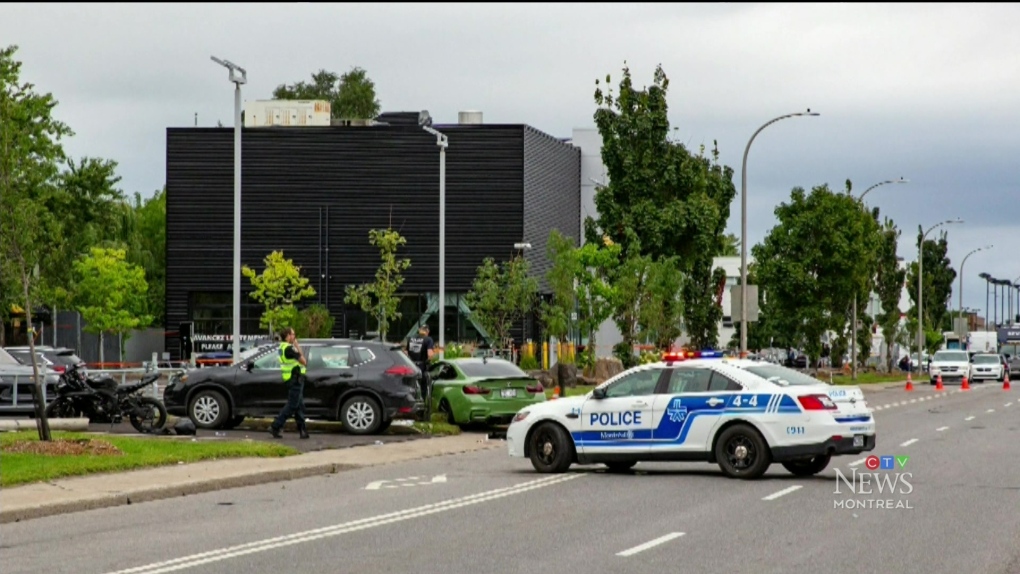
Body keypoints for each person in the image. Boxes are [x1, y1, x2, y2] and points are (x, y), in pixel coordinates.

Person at [269, 327, 310, 439]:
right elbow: (303, 361)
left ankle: (302, 430)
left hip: (293, 378)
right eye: (293, 334)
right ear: (287, 336)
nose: (294, 337)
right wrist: (296, 345)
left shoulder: (282, 347)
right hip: (295, 379)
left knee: (299, 406)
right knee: (292, 405)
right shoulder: (289, 349)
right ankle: (275, 426)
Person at [406, 324, 435, 419]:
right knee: (422, 389)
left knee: (411, 387)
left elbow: (406, 353)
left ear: (419, 330)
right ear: (427, 331)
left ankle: (410, 407)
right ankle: (421, 412)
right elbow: (430, 354)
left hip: (411, 365)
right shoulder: (428, 339)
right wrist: (431, 360)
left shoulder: (410, 338)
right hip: (421, 366)